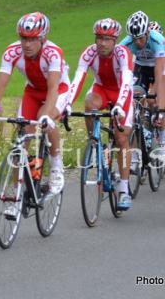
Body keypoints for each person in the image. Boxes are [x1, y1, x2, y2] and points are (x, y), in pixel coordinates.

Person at [0, 12, 70, 200]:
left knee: (47, 116)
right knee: (20, 142)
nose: (27, 44)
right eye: (23, 39)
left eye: (32, 39)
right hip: (33, 91)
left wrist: (46, 115)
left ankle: (56, 166)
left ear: (43, 38)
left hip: (58, 89)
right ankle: (17, 195)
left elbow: (53, 87)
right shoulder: (12, 51)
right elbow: (0, 83)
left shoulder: (53, 53)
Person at [68, 18, 134, 210]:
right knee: (90, 103)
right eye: (98, 38)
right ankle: (94, 143)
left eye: (106, 39)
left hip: (122, 92)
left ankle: (123, 189)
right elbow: (78, 78)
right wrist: (67, 104)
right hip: (102, 90)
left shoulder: (123, 53)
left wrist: (120, 105)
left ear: (115, 40)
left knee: (121, 138)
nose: (101, 43)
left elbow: (127, 82)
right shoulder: (89, 52)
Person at [119, 11, 165, 153]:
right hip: (141, 68)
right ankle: (141, 132)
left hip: (158, 67)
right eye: (134, 39)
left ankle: (162, 137)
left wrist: (158, 102)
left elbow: (159, 74)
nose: (137, 43)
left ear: (147, 33)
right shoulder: (126, 43)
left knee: (156, 100)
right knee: (135, 97)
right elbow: (121, 70)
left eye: (140, 38)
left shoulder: (157, 40)